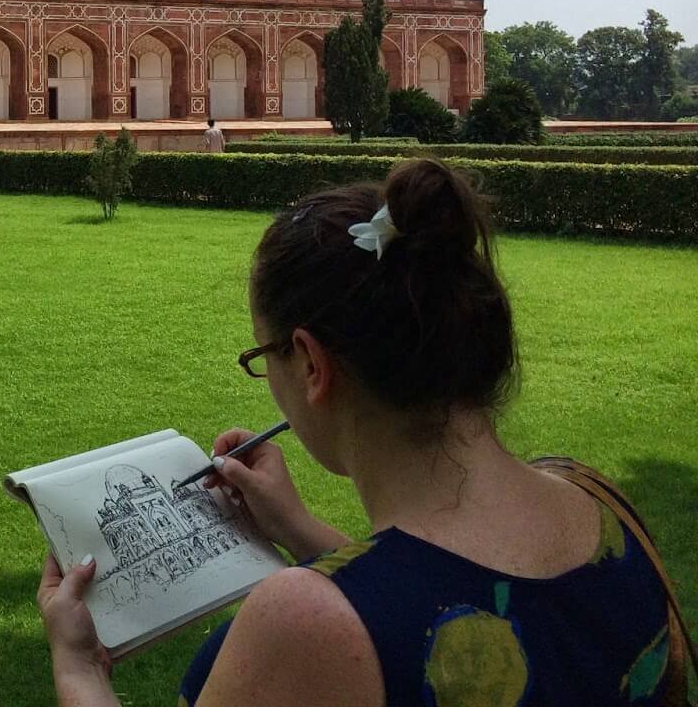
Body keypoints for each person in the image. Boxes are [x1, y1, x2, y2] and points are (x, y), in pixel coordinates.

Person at [37, 159, 682, 707]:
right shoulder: (598, 506)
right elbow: (444, 600)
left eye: (265, 358)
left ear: (313, 364)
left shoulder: (300, 625)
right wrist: (296, 529)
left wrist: (79, 668)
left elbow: (389, 620)